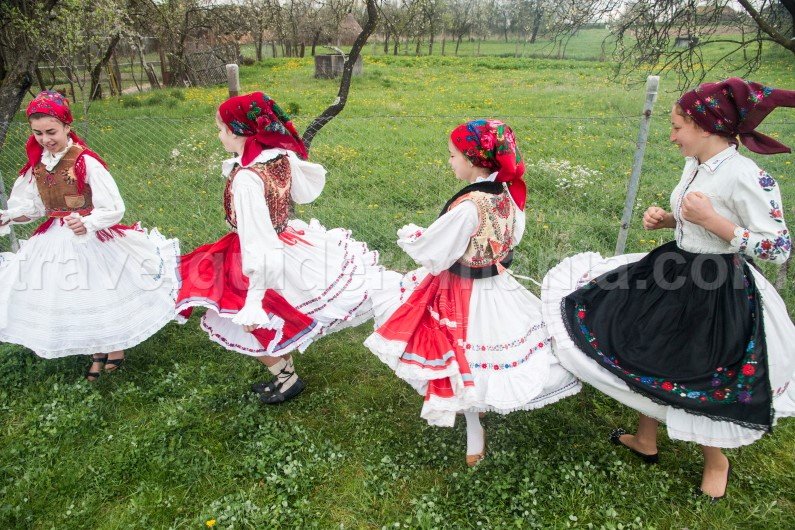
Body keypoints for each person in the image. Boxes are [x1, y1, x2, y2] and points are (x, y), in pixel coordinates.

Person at [541, 78, 795, 500]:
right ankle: (646, 438)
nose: (672, 135)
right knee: (648, 348)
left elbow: (779, 246)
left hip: (715, 288)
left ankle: (717, 460)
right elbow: (694, 215)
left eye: (678, 126)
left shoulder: (747, 175)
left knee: (698, 369)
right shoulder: (695, 162)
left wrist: (715, 223)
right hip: (675, 267)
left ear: (706, 126)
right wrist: (670, 220)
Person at [365, 119, 581, 466]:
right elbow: (512, 237)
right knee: (474, 357)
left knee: (462, 353)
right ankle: (473, 427)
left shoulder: (468, 206)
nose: (449, 162)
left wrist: (413, 236)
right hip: (496, 284)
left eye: (452, 155)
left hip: (460, 292)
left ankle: (474, 428)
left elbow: (435, 253)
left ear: (473, 159)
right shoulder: (506, 193)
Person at [176, 92, 380, 404]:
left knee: (251, 320)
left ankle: (286, 379)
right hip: (283, 240)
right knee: (273, 318)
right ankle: (286, 376)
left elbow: (258, 241)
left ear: (238, 131)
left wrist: (254, 298)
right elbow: (300, 191)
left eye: (220, 130)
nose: (218, 136)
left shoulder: (247, 178)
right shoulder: (278, 157)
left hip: (258, 254)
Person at [0, 90, 180, 380]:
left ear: (67, 127)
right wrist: (9, 216)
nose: (45, 139)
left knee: (103, 289)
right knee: (76, 294)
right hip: (56, 237)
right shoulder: (37, 166)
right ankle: (96, 347)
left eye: (51, 131)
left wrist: (90, 222)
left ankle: (116, 347)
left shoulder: (85, 161)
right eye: (38, 133)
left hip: (92, 237)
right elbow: (34, 208)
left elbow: (114, 207)